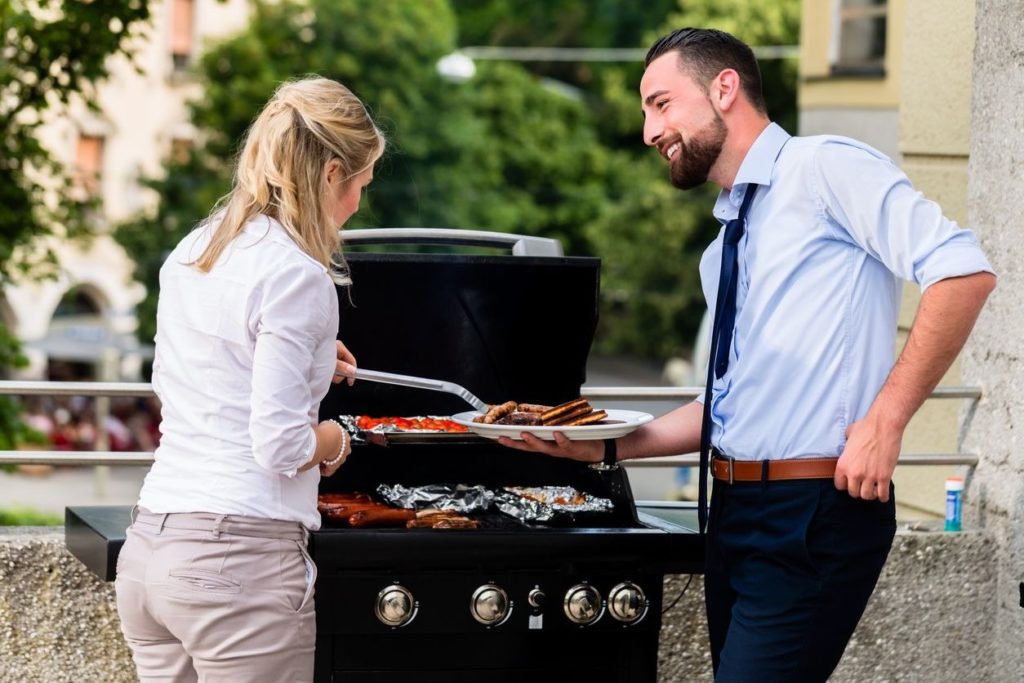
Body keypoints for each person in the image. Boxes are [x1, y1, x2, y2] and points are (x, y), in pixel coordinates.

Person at [498, 28, 995, 682]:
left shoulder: (824, 168)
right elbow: (727, 406)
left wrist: (885, 420)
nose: (649, 130)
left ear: (723, 88)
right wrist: (606, 446)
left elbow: (962, 271)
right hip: (735, 516)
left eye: (661, 103)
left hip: (816, 512)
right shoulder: (724, 246)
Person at [114, 76, 385, 682]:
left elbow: (194, 378)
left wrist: (312, 357)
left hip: (152, 550)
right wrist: (342, 438)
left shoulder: (192, 251)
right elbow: (282, 445)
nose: (358, 205)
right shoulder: (298, 275)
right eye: (362, 185)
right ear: (331, 173)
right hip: (238, 564)